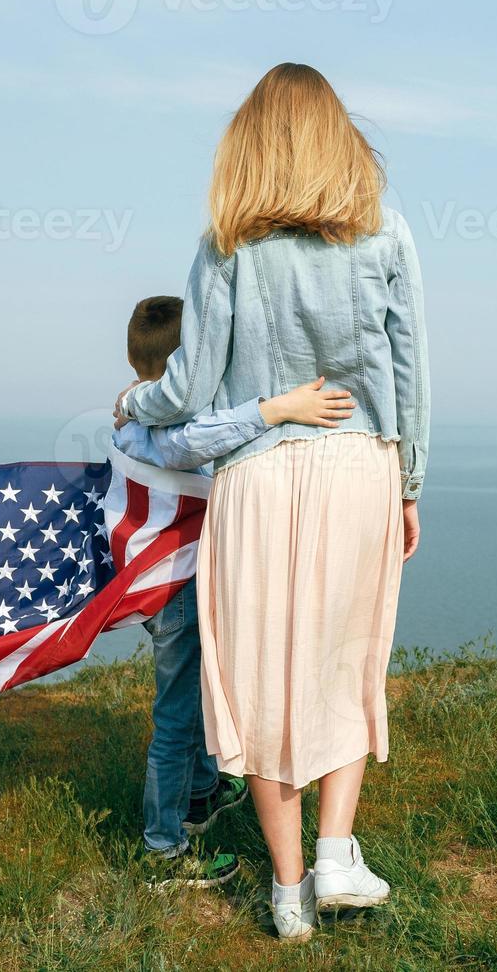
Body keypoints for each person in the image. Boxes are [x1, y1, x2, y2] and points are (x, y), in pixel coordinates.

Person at [115, 62, 430, 940]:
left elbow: (186, 386)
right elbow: (412, 376)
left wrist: (134, 403)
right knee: (344, 658)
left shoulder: (226, 246)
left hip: (255, 477)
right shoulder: (386, 234)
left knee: (258, 678)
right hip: (357, 465)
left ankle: (289, 897)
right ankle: (335, 852)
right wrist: (410, 485)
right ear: (340, 138)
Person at [112, 294, 358, 888]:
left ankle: (199, 797)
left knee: (200, 693)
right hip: (173, 589)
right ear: (185, 370)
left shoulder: (128, 414)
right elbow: (193, 442)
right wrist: (275, 409)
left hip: (169, 583)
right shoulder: (158, 432)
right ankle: (162, 850)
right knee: (175, 716)